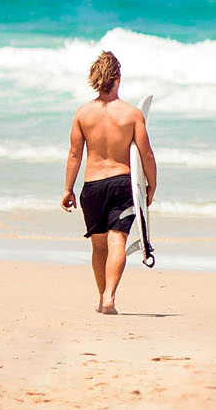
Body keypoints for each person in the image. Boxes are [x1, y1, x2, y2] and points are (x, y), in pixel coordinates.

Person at [60, 51, 157, 315]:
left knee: (99, 246)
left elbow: (74, 154)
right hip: (121, 185)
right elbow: (146, 154)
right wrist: (151, 185)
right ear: (118, 78)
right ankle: (110, 297)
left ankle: (101, 297)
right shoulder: (132, 114)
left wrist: (68, 189)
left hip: (91, 187)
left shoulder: (82, 114)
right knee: (118, 242)